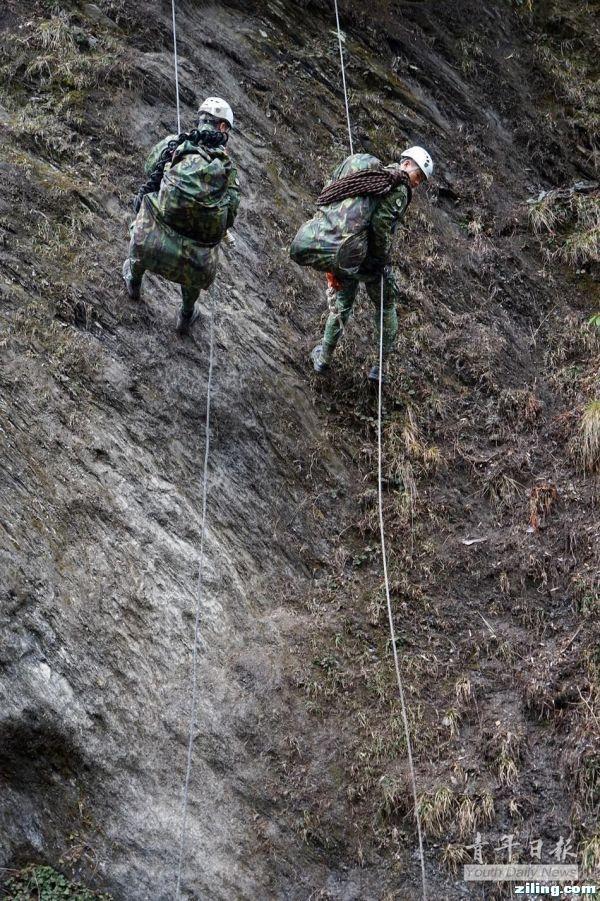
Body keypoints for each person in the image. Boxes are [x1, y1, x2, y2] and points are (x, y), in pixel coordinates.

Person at [290, 146, 433, 381]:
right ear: (406, 164)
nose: (417, 183)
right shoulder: (399, 186)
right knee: (386, 305)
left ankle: (324, 358)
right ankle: (380, 367)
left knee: (343, 304)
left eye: (421, 181)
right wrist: (381, 261)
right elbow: (381, 226)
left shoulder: (365, 173)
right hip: (368, 261)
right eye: (418, 177)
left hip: (345, 253)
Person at [122, 97, 240, 336]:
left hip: (150, 244)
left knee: (146, 212)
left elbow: (149, 169)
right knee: (203, 251)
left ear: (201, 120)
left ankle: (134, 281)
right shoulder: (228, 171)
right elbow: (230, 216)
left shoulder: (175, 144)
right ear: (223, 128)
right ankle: (186, 314)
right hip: (195, 264)